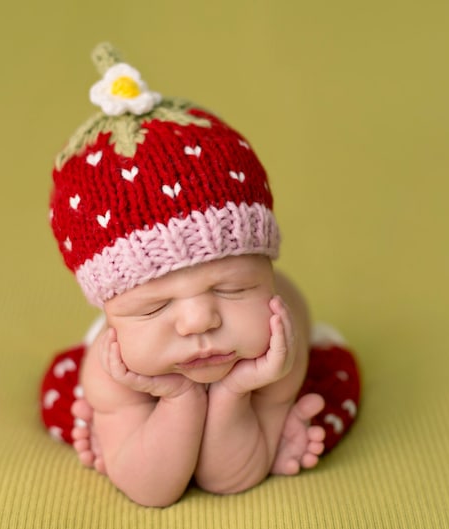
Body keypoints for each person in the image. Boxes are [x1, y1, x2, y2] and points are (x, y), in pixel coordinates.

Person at [40, 43, 360, 507]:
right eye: (154, 306)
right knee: (79, 405)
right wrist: (177, 398)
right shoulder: (114, 370)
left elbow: (228, 478)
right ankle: (127, 422)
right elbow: (152, 491)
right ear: (110, 310)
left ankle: (272, 426)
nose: (198, 320)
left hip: (266, 378)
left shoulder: (275, 343)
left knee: (326, 389)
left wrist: (235, 391)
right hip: (139, 385)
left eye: (233, 288)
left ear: (266, 271)